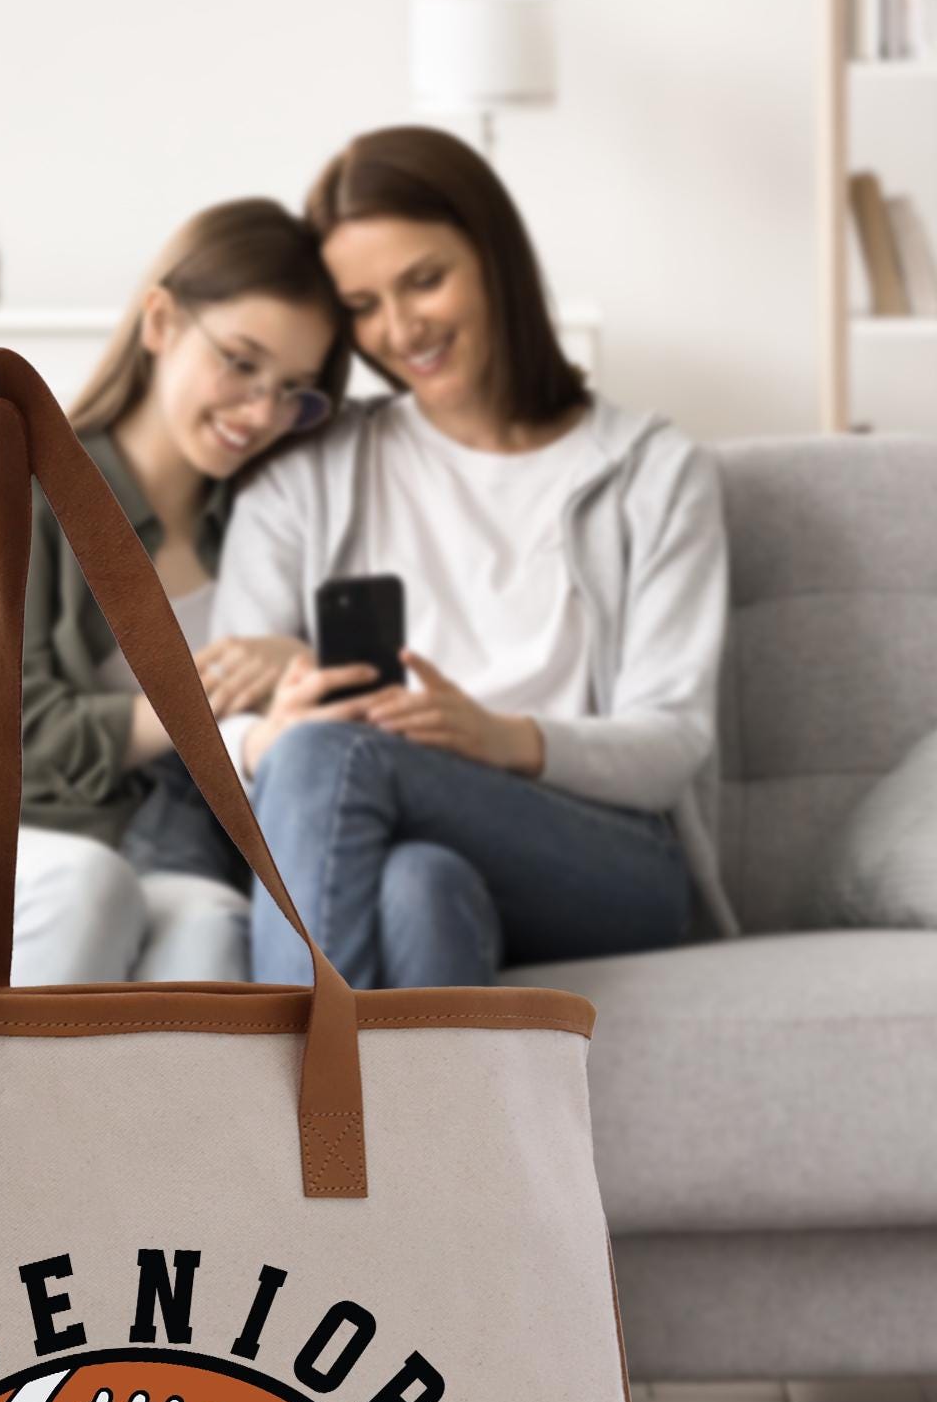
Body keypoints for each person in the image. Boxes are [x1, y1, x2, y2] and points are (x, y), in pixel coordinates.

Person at [201, 126, 739, 990]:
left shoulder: (651, 471)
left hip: (604, 856)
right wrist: (269, 732)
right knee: (420, 886)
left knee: (328, 757)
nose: (400, 329)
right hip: (381, 835)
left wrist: (502, 740)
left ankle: (280, 1117)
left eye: (424, 280)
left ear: (494, 256)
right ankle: (413, 1131)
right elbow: (215, 733)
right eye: (364, 306)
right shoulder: (307, 478)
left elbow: (672, 740)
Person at [0, 198, 351, 983]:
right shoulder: (20, 487)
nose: (261, 412)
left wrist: (292, 663)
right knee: (91, 886)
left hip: (161, 855)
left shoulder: (265, 526)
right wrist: (198, 705)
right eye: (242, 363)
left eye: (293, 390)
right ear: (160, 322)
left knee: (217, 927)